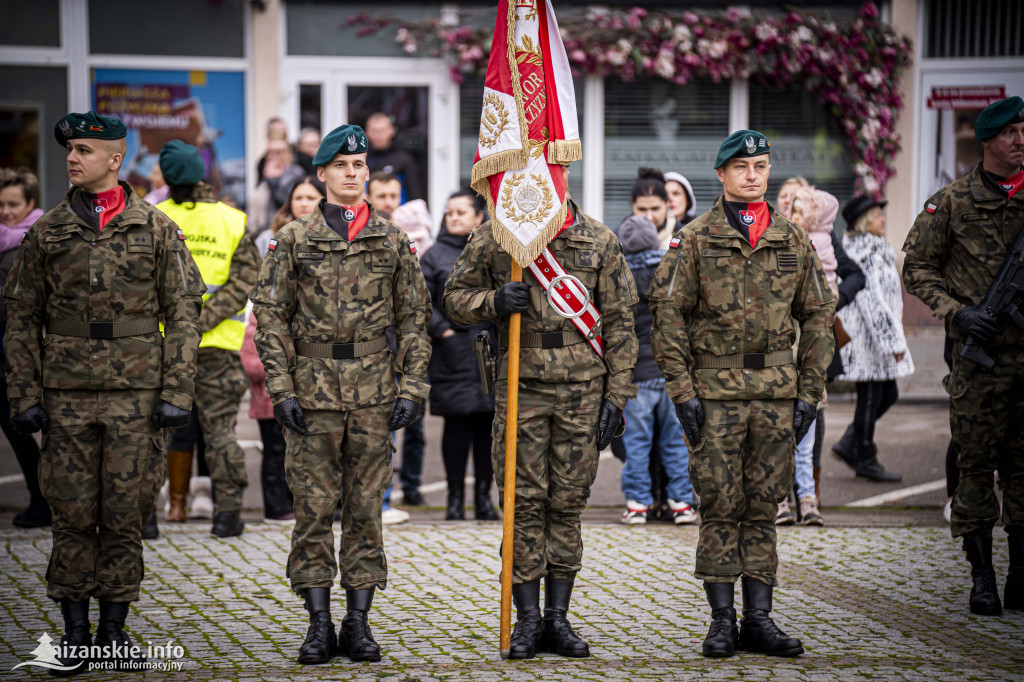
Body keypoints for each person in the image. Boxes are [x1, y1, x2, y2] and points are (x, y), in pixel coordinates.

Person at [2, 111, 204, 671]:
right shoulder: (48, 231)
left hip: (136, 395)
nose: (72, 158)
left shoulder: (155, 227)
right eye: (70, 150)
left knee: (125, 510)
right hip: (65, 395)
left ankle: (114, 630)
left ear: (115, 159)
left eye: (85, 150)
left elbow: (184, 312)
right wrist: (24, 395)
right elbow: (20, 317)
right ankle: (74, 632)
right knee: (70, 512)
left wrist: (176, 392)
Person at [648, 129, 835, 659]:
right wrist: (681, 390)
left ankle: (760, 619)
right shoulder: (696, 238)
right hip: (715, 395)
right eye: (742, 167)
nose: (753, 175)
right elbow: (667, 316)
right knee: (719, 505)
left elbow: (818, 316)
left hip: (777, 395)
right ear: (722, 175)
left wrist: (809, 392)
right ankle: (722, 621)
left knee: (764, 506)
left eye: (761, 166)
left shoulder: (791, 238)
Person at [250, 123, 430, 664]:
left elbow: (415, 318)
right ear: (323, 174)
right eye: (343, 167)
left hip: (375, 394)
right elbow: (271, 318)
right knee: (311, 511)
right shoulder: (294, 239)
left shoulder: (391, 237)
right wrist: (280, 388)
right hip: (311, 396)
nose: (354, 174)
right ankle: (318, 624)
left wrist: (413, 385)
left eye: (360, 167)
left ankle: (357, 623)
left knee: (364, 511)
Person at [444, 164, 638, 660]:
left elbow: (619, 323)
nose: (545, 186)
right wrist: (493, 300)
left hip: (582, 391)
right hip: (522, 388)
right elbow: (453, 299)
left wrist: (617, 395)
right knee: (523, 503)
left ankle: (558, 619)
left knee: (567, 504)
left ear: (564, 180)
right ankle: (527, 621)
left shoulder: (599, 238)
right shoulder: (496, 237)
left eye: (553, 176)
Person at [902, 95, 1024, 616]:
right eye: (1012, 132)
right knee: (975, 468)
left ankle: (1021, 576)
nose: (1021, 140)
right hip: (978, 363)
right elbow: (917, 270)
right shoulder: (951, 203)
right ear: (988, 140)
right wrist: (958, 313)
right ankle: (982, 578)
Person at [155, 140, 260, 537]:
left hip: (163, 347)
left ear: (166, 177)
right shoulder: (231, 220)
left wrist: (183, 324)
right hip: (217, 347)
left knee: (151, 435)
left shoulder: (153, 217)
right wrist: (206, 319)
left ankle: (145, 519)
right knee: (220, 435)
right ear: (202, 174)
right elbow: (245, 279)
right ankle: (227, 516)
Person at [420, 189, 498, 521]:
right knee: (456, 427)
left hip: (488, 350)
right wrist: (443, 331)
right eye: (449, 212)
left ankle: (483, 498)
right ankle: (454, 499)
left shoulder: (494, 250)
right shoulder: (434, 255)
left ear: (479, 216)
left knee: (486, 428)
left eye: (461, 212)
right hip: (451, 353)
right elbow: (420, 300)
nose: (453, 217)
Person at [615, 214, 696, 526]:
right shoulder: (669, 270)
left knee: (637, 444)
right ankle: (682, 503)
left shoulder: (619, 276)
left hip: (637, 376)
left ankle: (637, 503)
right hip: (671, 374)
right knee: (675, 443)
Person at [831, 195, 913, 483]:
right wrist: (894, 343)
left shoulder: (877, 250)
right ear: (865, 221)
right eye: (878, 215)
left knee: (885, 395)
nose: (883, 219)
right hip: (867, 339)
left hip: (876, 337)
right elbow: (873, 303)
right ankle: (865, 456)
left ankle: (849, 444)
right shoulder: (864, 254)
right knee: (871, 398)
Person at [775, 187, 837, 526]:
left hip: (808, 372)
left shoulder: (818, 252)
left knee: (806, 438)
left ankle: (807, 498)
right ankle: (781, 500)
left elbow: (820, 322)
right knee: (779, 441)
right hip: (781, 372)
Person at [0, 167, 49, 528]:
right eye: (0, 205)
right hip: (4, 348)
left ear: (30, 203)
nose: (5, 212)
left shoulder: (39, 238)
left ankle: (45, 502)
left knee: (33, 429)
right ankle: (41, 501)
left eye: (13, 204)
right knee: (16, 429)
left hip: (32, 348)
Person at [389, 198, 436, 507]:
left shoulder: (430, 256)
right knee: (387, 427)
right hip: (386, 352)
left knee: (414, 425)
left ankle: (411, 484)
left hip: (417, 352)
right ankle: (387, 491)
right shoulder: (386, 246)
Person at [249, 135, 306, 234]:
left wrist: (273, 180)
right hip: (261, 233)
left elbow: (286, 204)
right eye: (270, 153)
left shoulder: (297, 175)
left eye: (278, 152)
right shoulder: (266, 175)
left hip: (283, 233)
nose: (273, 156)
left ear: (289, 154)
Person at [365, 112, 424, 202]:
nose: (378, 135)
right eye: (374, 131)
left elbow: (415, 196)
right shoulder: (362, 159)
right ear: (367, 133)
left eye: (383, 130)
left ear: (391, 131)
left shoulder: (404, 160)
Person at [622, 167, 676, 249]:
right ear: (633, 206)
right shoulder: (617, 240)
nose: (649, 217)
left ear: (666, 204)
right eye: (642, 209)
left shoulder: (684, 237)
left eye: (655, 209)